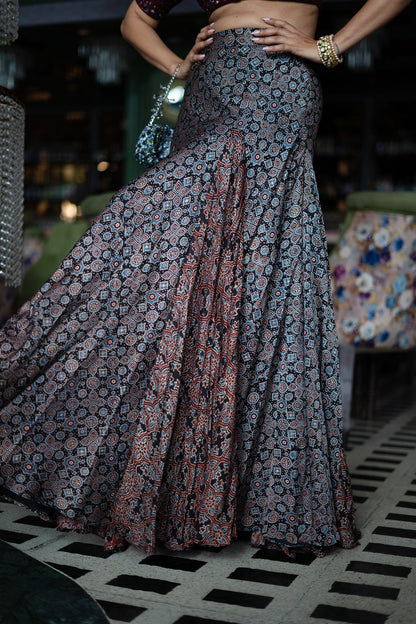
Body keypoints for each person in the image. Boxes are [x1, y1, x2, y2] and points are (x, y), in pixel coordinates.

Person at [0, 0, 411, 557]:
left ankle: (254, 492)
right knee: (180, 272)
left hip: (273, 89)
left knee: (268, 276)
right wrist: (182, 62)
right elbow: (134, 19)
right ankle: (172, 483)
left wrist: (330, 46)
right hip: (207, 97)